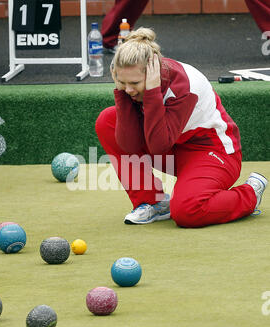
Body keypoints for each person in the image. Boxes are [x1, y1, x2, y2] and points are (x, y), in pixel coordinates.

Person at [95, 27, 268, 228]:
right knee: (107, 120)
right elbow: (129, 145)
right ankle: (153, 202)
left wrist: (151, 93)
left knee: (187, 211)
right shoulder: (129, 86)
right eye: (122, 82)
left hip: (212, 151)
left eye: (134, 83)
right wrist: (121, 92)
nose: (129, 89)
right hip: (172, 146)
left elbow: (158, 146)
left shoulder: (185, 87)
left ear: (153, 73)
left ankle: (250, 194)